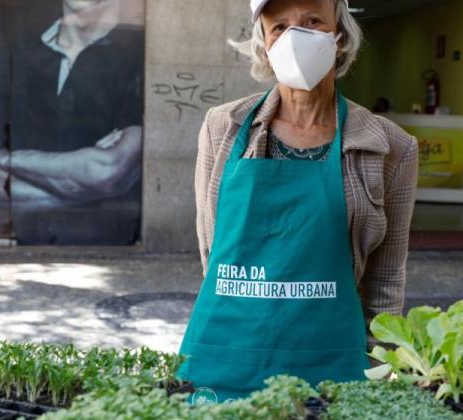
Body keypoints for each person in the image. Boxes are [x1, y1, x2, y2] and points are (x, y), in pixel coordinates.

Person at [178, 0, 419, 402]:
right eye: (280, 27)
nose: (295, 38)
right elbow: (211, 251)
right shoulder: (222, 128)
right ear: (265, 45)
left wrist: (382, 376)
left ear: (339, 36)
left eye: (312, 22)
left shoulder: (391, 147)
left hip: (331, 362)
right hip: (227, 353)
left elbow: (386, 281)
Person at [0, 0, 143, 245]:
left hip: (115, 254)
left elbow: (106, 171)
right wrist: (82, 193)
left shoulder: (142, 57)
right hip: (27, 253)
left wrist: (9, 159)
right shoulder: (17, 57)